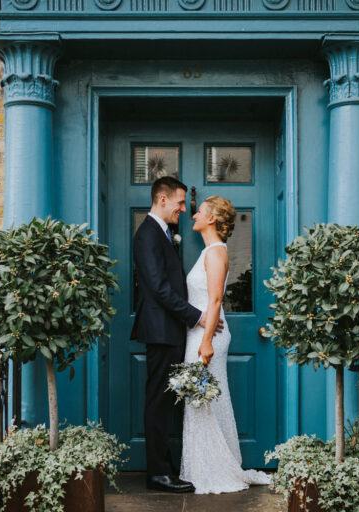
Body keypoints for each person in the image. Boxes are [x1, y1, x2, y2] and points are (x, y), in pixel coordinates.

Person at [131, 176, 223, 493]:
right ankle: (158, 474)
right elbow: (158, 289)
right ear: (163, 199)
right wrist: (197, 316)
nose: (183, 209)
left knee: (164, 402)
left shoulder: (164, 233)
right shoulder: (147, 235)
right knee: (158, 402)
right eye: (180, 203)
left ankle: (165, 468)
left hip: (170, 330)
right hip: (160, 331)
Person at [179, 196, 272, 494]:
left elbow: (216, 299)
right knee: (202, 402)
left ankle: (217, 469)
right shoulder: (208, 251)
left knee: (207, 400)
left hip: (209, 339)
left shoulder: (217, 252)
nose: (194, 214)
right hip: (198, 334)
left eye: (200, 211)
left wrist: (205, 342)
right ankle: (201, 467)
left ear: (212, 219)